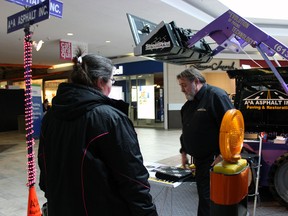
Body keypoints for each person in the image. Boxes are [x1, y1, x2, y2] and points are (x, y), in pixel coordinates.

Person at [38, 49, 158, 216]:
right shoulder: (109, 118)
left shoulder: (50, 116)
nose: (111, 85)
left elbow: (44, 166)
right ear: (101, 82)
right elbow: (132, 178)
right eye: (111, 80)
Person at [176, 67, 234, 216]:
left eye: (184, 85)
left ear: (195, 81)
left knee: (209, 199)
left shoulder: (216, 96)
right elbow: (186, 130)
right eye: (180, 86)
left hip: (214, 160)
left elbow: (233, 127)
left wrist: (223, 154)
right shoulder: (189, 105)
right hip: (200, 161)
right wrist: (184, 151)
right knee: (204, 196)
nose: (182, 89)